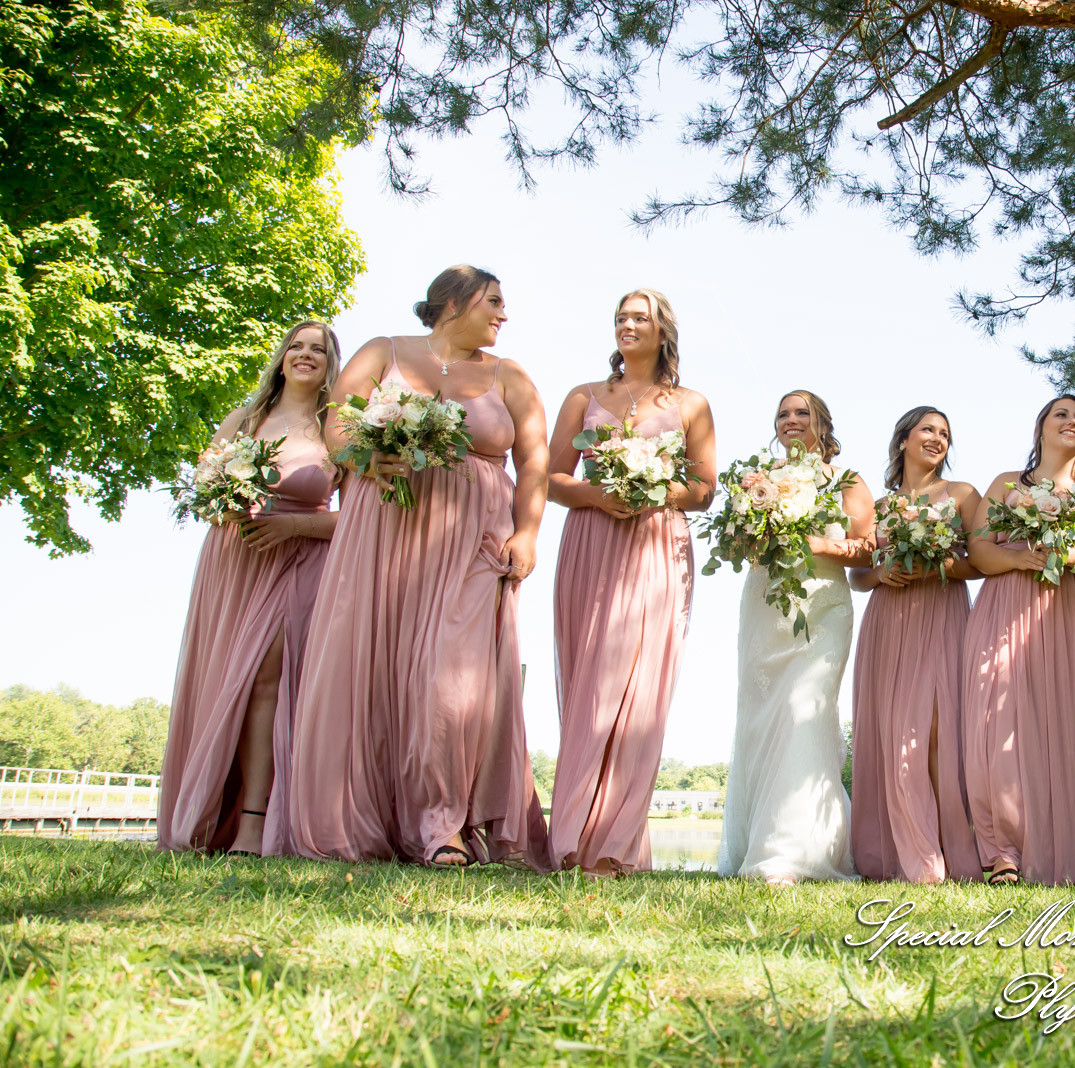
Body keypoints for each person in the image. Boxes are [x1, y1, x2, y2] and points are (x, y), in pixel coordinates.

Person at [288, 265, 549, 867]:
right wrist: (365, 456)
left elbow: (533, 462)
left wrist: (529, 533)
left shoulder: (511, 377)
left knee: (452, 681)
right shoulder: (383, 351)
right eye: (494, 301)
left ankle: (444, 825)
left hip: (475, 542)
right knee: (373, 670)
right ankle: (365, 818)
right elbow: (338, 424)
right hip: (385, 534)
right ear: (453, 304)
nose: (503, 315)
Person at [546, 288, 716, 876]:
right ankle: (570, 835)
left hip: (656, 544)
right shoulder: (583, 396)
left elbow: (702, 489)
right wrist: (599, 494)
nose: (627, 325)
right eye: (621, 317)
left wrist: (648, 491)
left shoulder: (691, 404)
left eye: (639, 318)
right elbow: (550, 477)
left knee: (640, 687)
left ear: (662, 329)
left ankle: (617, 842)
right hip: (591, 541)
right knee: (588, 680)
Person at [158, 321, 342, 856]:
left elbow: (360, 520)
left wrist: (296, 525)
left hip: (300, 557)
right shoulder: (246, 419)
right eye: (296, 346)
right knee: (226, 682)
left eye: (319, 349)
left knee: (267, 681)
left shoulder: (337, 428)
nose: (305, 355)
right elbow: (204, 485)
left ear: (333, 364)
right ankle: (212, 811)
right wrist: (228, 501)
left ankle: (256, 823)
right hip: (235, 558)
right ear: (281, 358)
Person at [962, 395, 1075, 885]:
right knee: (1000, 722)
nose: (1073, 422)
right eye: (1063, 414)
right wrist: (1020, 559)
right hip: (1005, 607)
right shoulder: (1007, 484)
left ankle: (1068, 847)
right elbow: (978, 551)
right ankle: (1004, 853)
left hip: (1068, 614)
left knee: (1066, 724)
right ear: (1041, 429)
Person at [718, 391, 874, 885]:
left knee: (804, 712)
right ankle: (754, 842)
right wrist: (749, 530)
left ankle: (794, 852)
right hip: (766, 603)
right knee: (762, 717)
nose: (791, 420)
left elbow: (868, 550)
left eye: (802, 412)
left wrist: (819, 542)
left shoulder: (846, 480)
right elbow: (737, 547)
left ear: (822, 424)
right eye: (783, 413)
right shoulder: (758, 481)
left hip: (822, 606)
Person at [849, 407, 983, 883]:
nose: (938, 438)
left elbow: (982, 562)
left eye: (945, 433)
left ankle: (942, 848)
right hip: (889, 621)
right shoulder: (879, 507)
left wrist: (939, 564)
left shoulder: (963, 495)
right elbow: (857, 575)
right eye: (928, 429)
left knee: (934, 732)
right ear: (904, 439)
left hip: (942, 616)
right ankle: (898, 851)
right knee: (891, 734)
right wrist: (881, 572)